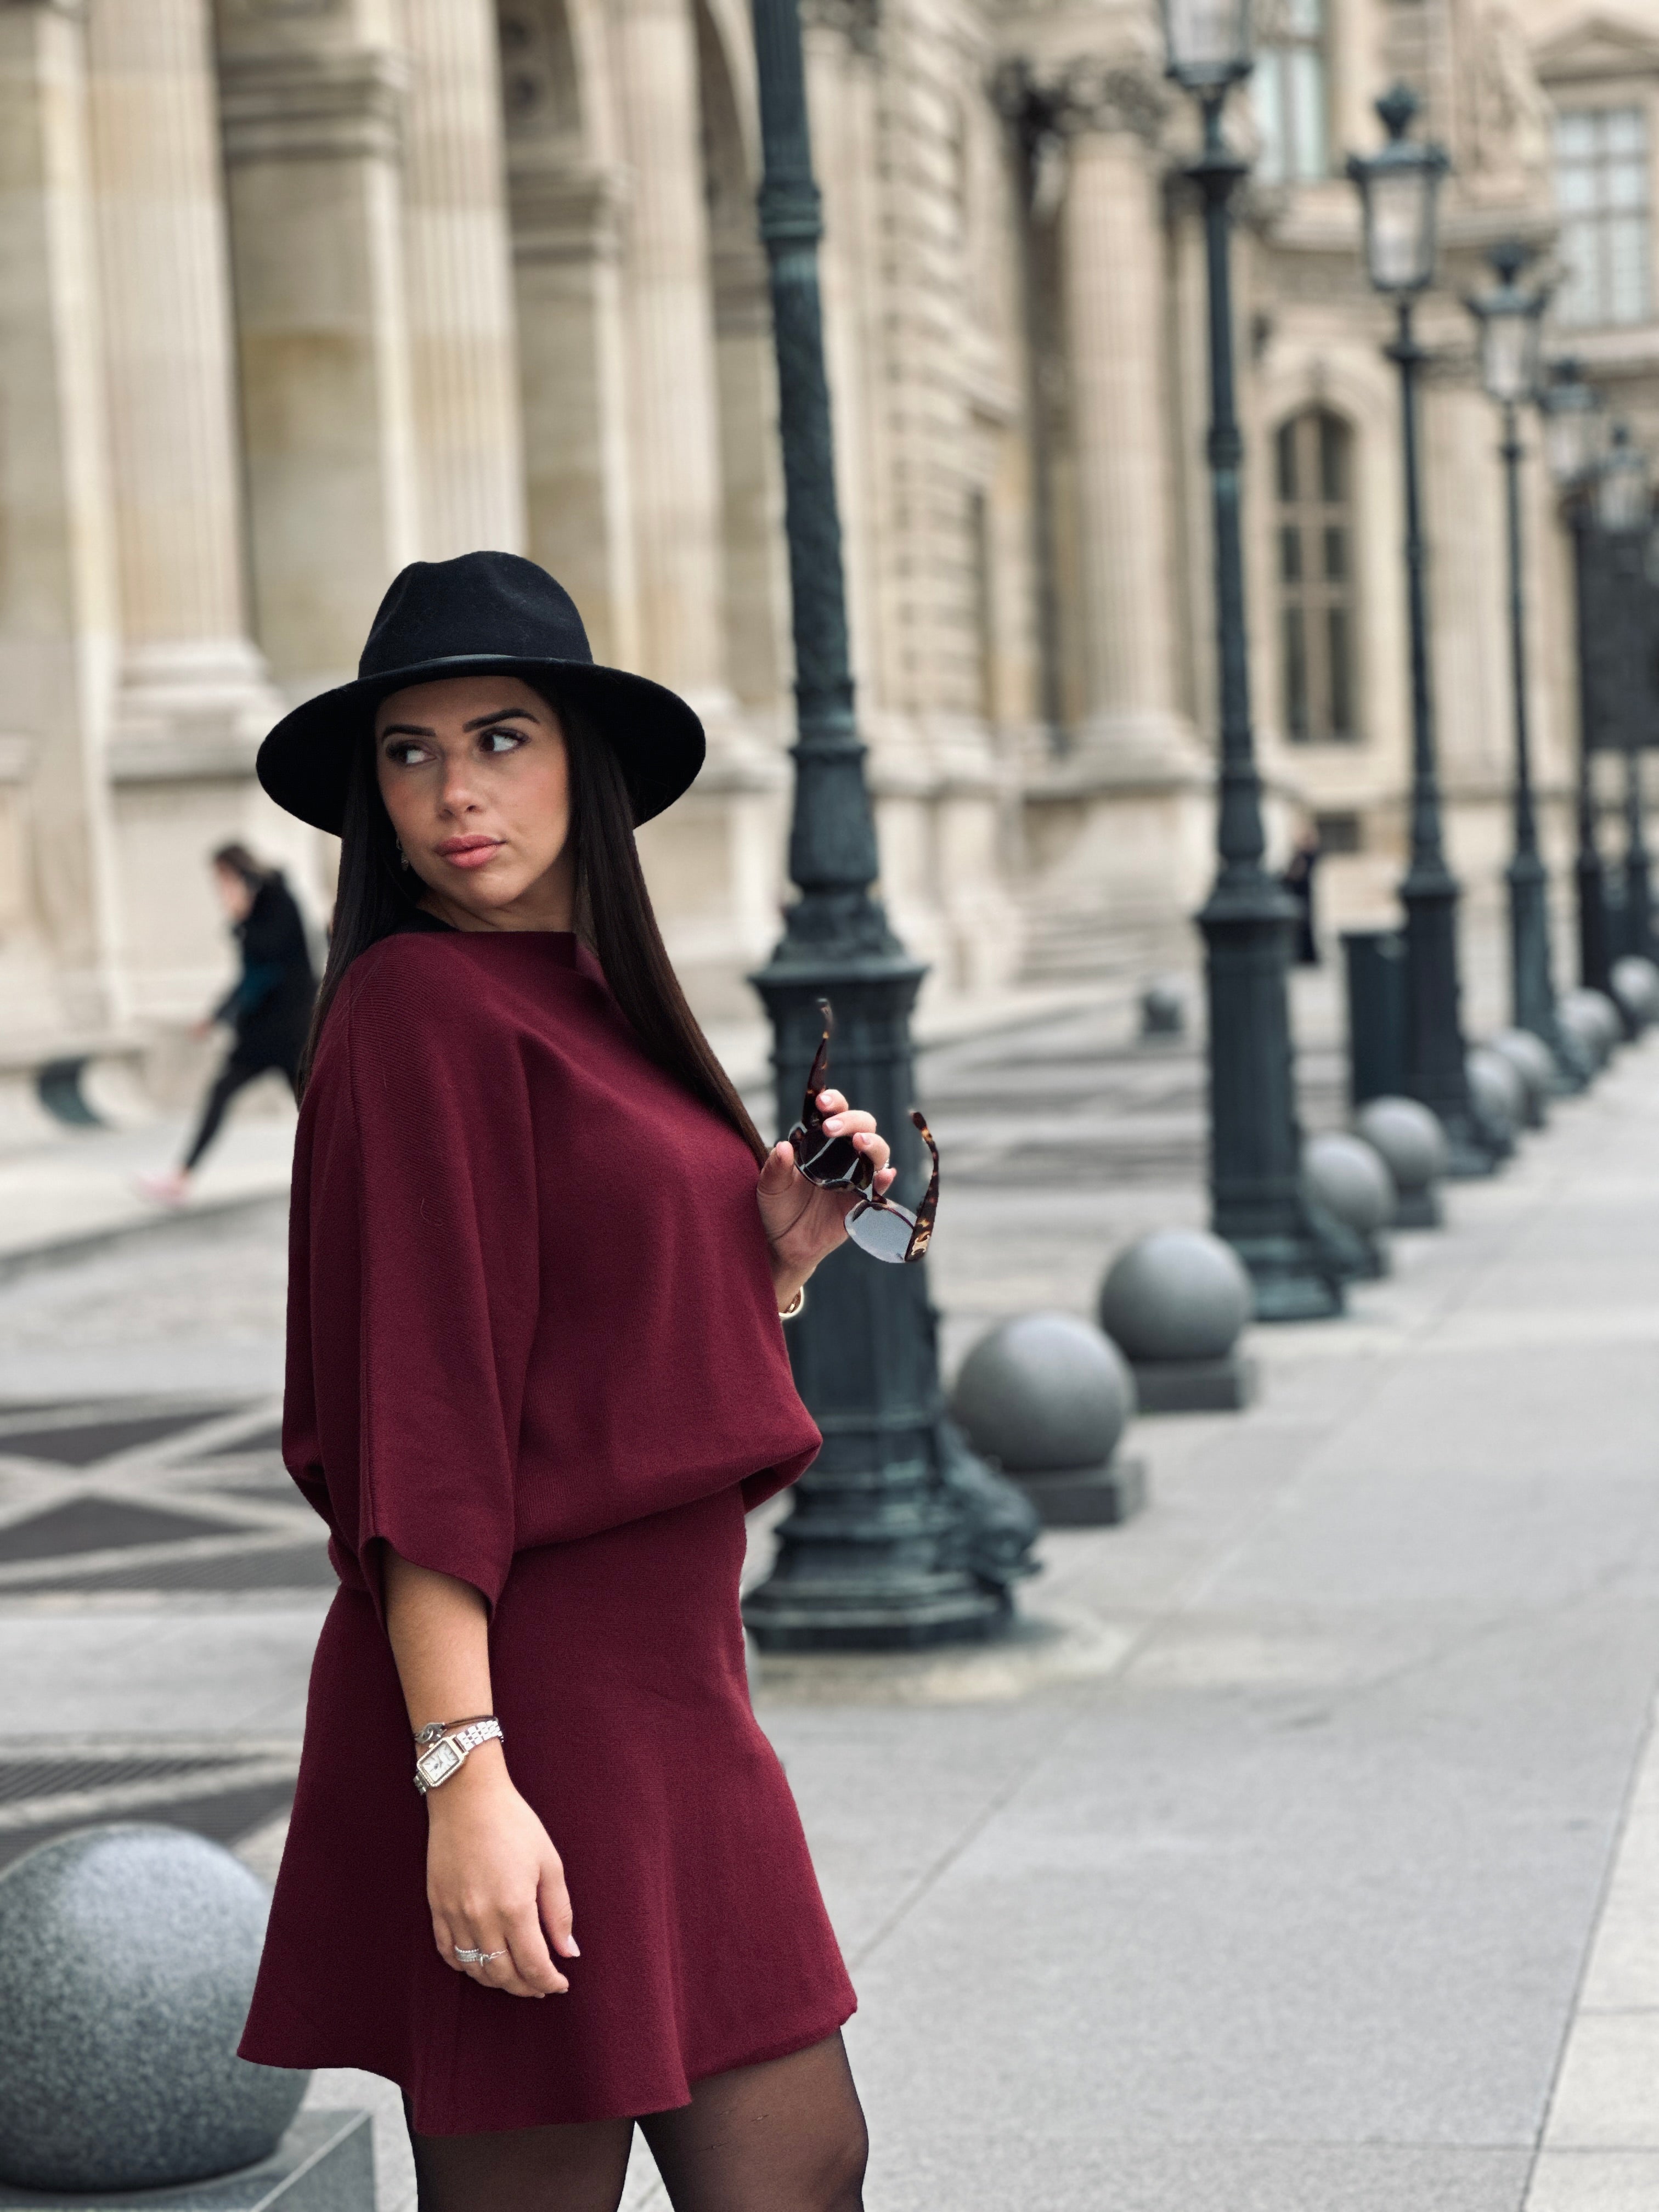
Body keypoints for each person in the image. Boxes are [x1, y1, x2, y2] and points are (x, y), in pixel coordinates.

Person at [238, 551, 912, 2211]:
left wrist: (773, 1261)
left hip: (677, 1692)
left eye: (501, 738)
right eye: (409, 753)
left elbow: (587, 1358)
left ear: (581, 763)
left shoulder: (598, 1002)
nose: (454, 792)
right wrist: (464, 1778)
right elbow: (421, 1434)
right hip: (526, 1695)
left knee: (806, 2169)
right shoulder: (417, 1009)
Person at [139, 845, 316, 1205]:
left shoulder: (278, 899)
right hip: (261, 1031)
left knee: (312, 1106)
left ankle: (349, 1171)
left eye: (221, 879)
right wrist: (217, 1016)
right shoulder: (256, 909)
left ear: (235, 872)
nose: (220, 889)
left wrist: (242, 920)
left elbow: (276, 964)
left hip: (290, 1028)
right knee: (223, 1093)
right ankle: (181, 1177)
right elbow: (250, 976)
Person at [1282, 820, 1322, 966]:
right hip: (1302, 894)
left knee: (1304, 926)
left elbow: (1296, 874)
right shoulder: (1306, 855)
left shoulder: (1306, 856)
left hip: (1302, 895)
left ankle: (1306, 956)